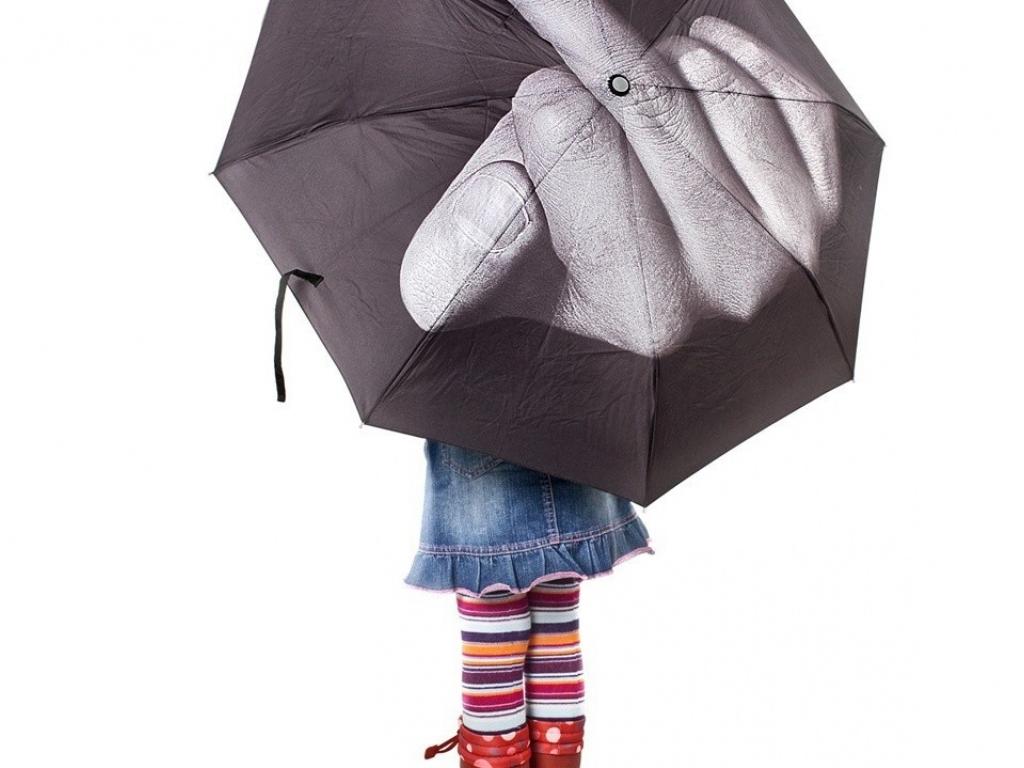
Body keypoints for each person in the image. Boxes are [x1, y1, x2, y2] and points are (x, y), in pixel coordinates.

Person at [414, 439, 654, 767]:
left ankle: (493, 751)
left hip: (480, 456)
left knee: (494, 647)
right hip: (577, 449)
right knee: (554, 638)